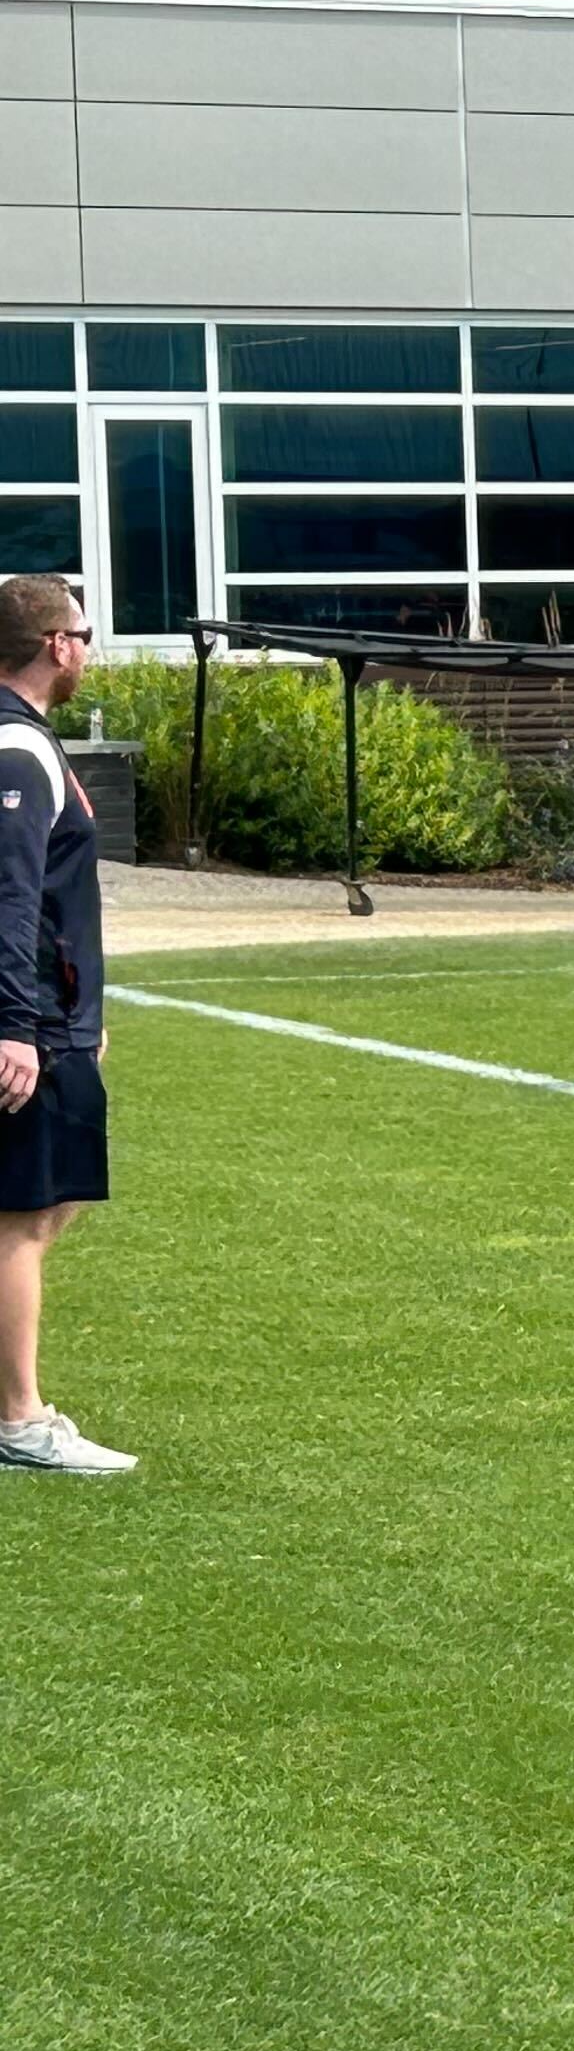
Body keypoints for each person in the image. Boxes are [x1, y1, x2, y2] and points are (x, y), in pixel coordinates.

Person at [0, 575, 124, 1473]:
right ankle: (19, 1421)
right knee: (25, 1218)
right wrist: (20, 1026)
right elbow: (10, 898)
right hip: (32, 1023)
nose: (89, 647)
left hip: (58, 1020)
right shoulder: (19, 750)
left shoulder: (27, 743)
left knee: (49, 1207)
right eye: (84, 631)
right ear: (55, 645)